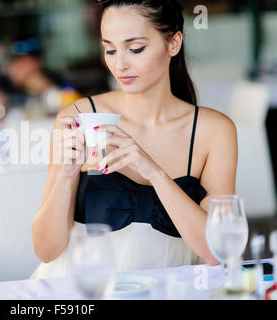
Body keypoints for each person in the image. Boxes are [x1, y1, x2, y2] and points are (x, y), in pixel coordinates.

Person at [30, 0, 238, 279]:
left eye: (135, 48)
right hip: (79, 288)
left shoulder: (213, 130)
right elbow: (46, 250)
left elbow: (217, 252)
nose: (119, 64)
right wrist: (67, 176)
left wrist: (153, 172)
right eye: (110, 50)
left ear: (173, 43)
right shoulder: (80, 116)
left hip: (170, 291)